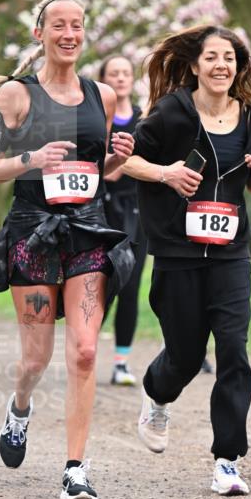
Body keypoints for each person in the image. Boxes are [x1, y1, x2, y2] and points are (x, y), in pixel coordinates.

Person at [0, 0, 135, 499]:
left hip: (88, 230)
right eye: (58, 25)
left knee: (86, 352)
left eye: (78, 26)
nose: (69, 34)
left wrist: (116, 160)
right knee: (36, 356)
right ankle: (20, 407)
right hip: (32, 233)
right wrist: (31, 156)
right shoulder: (11, 96)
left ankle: (75, 470)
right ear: (39, 33)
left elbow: (97, 173)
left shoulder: (102, 96)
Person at [123, 24, 251, 496]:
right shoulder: (172, 112)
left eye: (228, 57)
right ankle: (157, 393)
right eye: (211, 57)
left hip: (231, 253)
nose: (220, 65)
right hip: (178, 252)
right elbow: (126, 160)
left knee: (233, 349)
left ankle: (228, 459)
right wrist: (166, 173)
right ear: (194, 65)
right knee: (186, 356)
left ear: (239, 65)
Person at [98, 55, 146, 386]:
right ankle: (81, 353)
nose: (120, 78)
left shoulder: (146, 119)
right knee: (100, 288)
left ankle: (121, 363)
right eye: (113, 73)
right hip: (102, 212)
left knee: (130, 287)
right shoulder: (95, 117)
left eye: (126, 73)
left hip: (138, 213)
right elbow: (100, 169)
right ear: (103, 79)